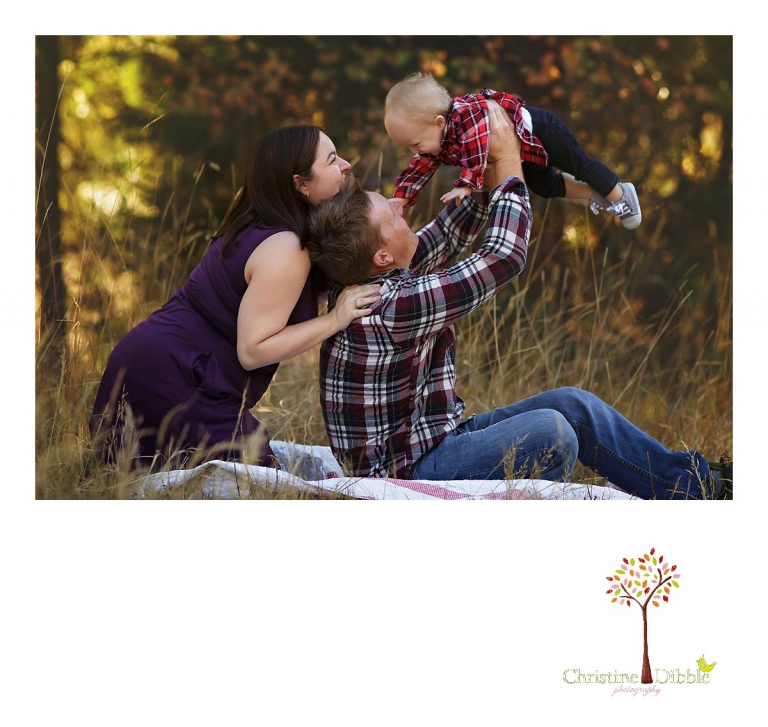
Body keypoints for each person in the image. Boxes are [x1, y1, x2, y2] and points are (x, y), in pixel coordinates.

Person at [306, 103, 731, 500]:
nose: (402, 213)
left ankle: (695, 487)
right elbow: (503, 257)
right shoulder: (390, 307)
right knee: (552, 433)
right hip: (411, 469)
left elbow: (451, 230)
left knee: (574, 405)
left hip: (433, 439)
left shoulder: (374, 276)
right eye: (393, 216)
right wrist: (509, 162)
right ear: (382, 256)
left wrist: (488, 153)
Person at [89, 125, 381, 471]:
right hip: (174, 378)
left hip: (154, 362)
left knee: (156, 481)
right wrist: (334, 320)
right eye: (332, 160)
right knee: (259, 482)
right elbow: (253, 350)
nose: (346, 165)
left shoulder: (264, 225)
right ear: (301, 184)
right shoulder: (285, 247)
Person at [384, 71, 642, 230]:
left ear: (439, 122)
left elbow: (476, 150)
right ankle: (597, 194)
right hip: (524, 150)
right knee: (544, 186)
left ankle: (621, 196)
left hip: (542, 131)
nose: (414, 151)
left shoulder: (465, 116)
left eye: (415, 144)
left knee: (580, 166)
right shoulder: (434, 139)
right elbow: (419, 166)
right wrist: (402, 197)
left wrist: (466, 185)